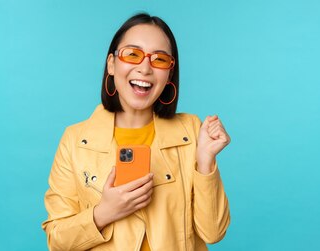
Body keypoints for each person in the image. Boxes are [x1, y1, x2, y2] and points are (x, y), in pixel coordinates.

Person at [41, 13, 231, 251]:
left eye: (160, 60)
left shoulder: (192, 131)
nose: (145, 68)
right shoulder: (75, 140)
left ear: (169, 73)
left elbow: (213, 232)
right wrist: (103, 213)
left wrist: (205, 163)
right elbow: (57, 240)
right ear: (111, 64)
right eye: (132, 54)